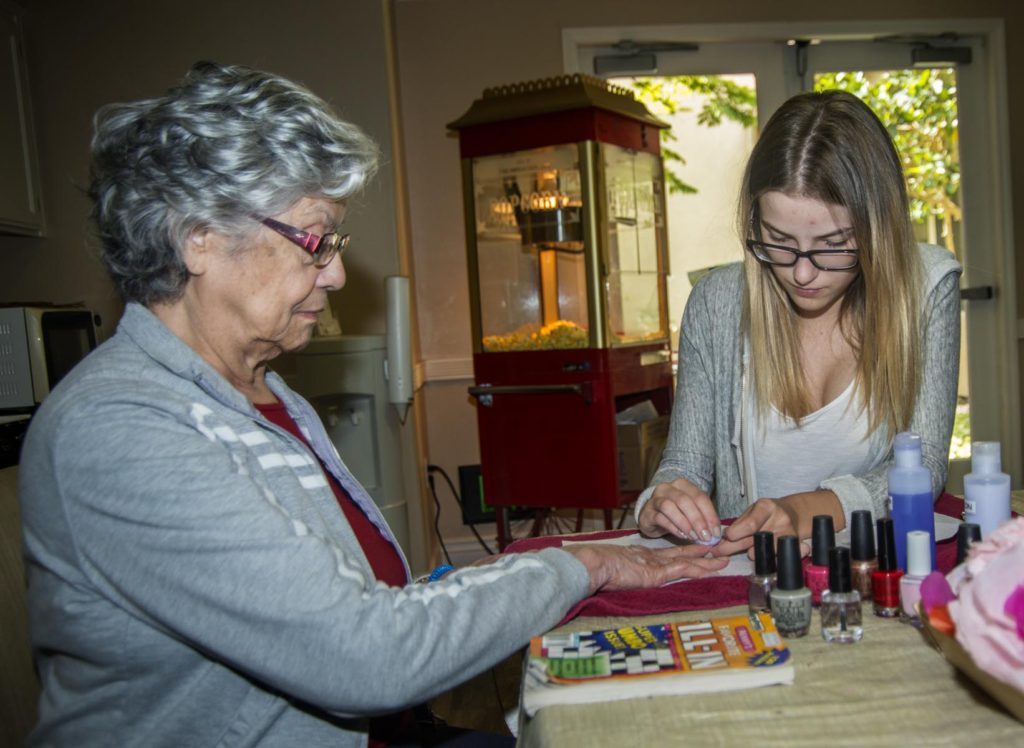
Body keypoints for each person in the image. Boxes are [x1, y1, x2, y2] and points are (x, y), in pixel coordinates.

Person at [18, 62, 728, 747]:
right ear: (198, 236)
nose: (333, 272)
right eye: (313, 240)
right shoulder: (118, 429)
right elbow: (363, 656)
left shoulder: (265, 390)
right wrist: (586, 567)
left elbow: (355, 599)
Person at [636, 90, 962, 557]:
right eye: (778, 240)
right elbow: (684, 464)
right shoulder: (716, 303)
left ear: (878, 230)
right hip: (750, 580)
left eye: (833, 244)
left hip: (870, 571)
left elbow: (924, 469)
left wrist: (802, 509)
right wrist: (663, 499)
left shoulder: (926, 288)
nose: (803, 273)